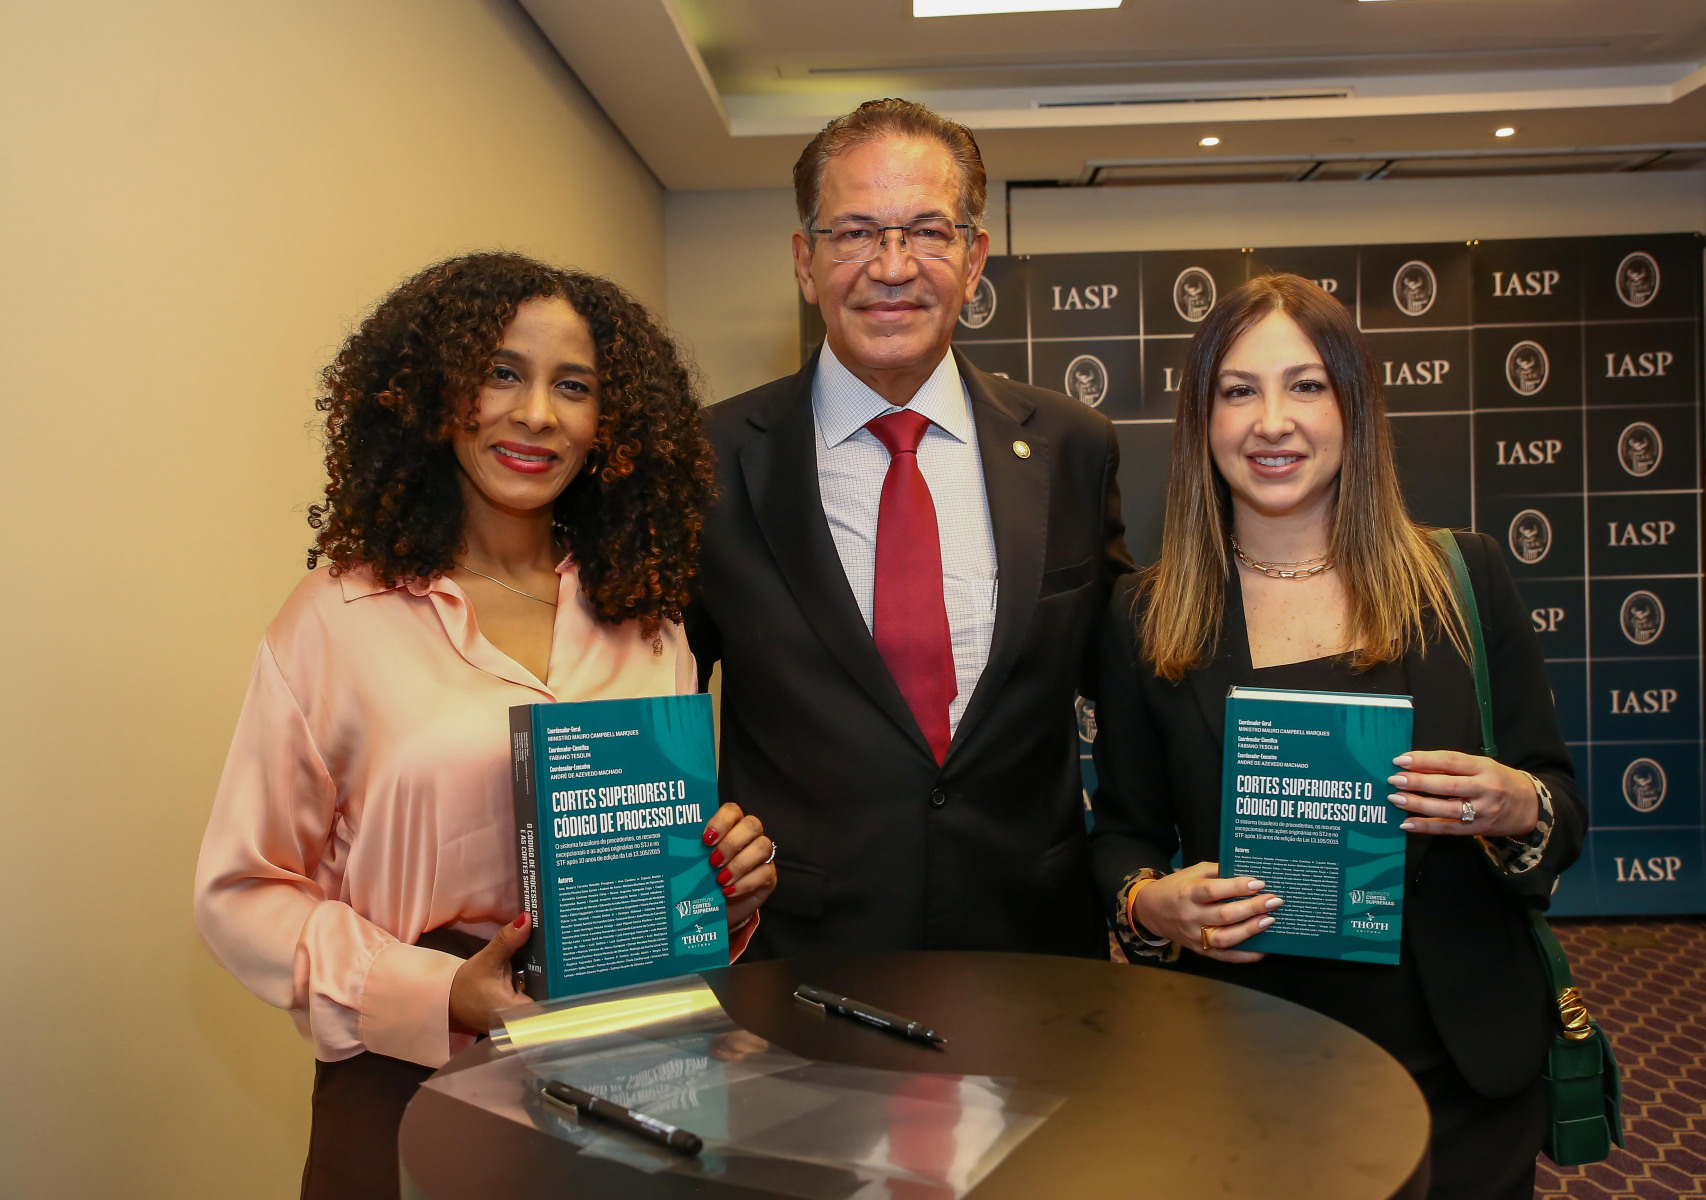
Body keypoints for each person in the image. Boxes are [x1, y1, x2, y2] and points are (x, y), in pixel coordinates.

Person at [193, 253, 777, 1200]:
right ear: (434, 394)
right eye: (502, 373)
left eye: (573, 386)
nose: (537, 414)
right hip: (407, 1083)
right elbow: (240, 894)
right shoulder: (336, 619)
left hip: (630, 1077)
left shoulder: (646, 620)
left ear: (611, 425)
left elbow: (655, 864)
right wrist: (434, 992)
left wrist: (722, 887)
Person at [1089, 273, 1584, 1200]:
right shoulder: (1145, 617)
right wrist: (1153, 905)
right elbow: (1124, 832)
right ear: (1203, 421)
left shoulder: (1462, 579)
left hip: (1461, 1068)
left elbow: (1557, 803)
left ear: (1354, 407)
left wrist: (1515, 802)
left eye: (1306, 385)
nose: (1271, 421)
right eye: (1239, 390)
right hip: (1246, 1064)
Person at [687, 99, 1133, 959]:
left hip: (1030, 949)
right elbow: (647, 700)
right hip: (800, 950)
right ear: (805, 262)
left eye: (928, 232)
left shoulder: (1073, 447)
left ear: (974, 260)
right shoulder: (706, 461)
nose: (891, 269)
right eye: (855, 233)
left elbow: (1127, 684)